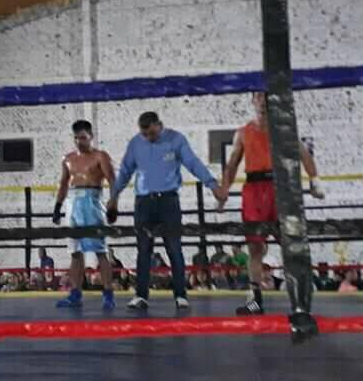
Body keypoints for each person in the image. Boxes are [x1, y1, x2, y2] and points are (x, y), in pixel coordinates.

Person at [107, 111, 227, 310]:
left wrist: (212, 185)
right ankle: (141, 296)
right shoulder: (136, 143)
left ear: (159, 125)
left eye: (152, 134)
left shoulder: (176, 139)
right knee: (143, 250)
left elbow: (193, 163)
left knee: (174, 248)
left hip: (169, 202)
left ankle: (180, 295)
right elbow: (125, 171)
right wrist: (113, 197)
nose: (148, 138)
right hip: (144, 202)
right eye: (145, 135)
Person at [219, 92, 325, 315]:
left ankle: (300, 302)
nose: (263, 103)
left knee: (290, 246)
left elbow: (303, 153)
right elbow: (232, 164)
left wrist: (315, 181)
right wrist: (224, 189)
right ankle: (255, 300)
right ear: (253, 101)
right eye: (259, 99)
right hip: (254, 192)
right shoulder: (243, 132)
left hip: (281, 190)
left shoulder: (284, 128)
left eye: (267, 99)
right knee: (255, 248)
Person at [52, 120, 116, 310]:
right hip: (72, 202)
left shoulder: (100, 156)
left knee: (100, 250)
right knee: (74, 251)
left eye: (83, 137)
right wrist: (58, 206)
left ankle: (108, 294)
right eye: (76, 138)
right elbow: (63, 184)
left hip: (93, 201)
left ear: (91, 137)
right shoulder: (68, 159)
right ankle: (75, 294)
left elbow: (113, 181)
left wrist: (113, 205)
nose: (79, 141)